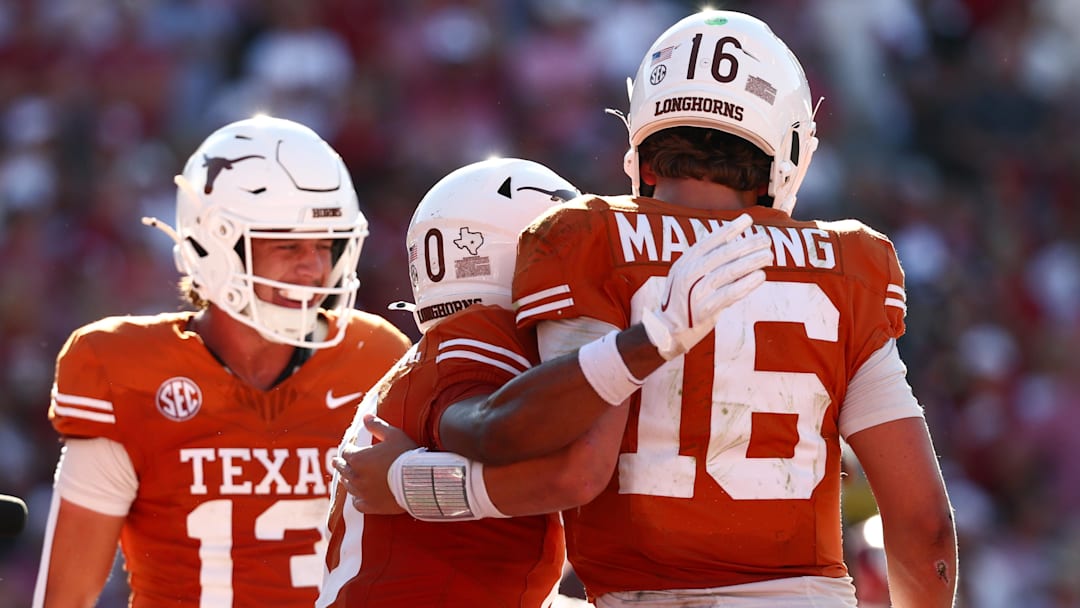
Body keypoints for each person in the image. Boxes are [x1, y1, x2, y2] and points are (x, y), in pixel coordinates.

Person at [342, 9, 959, 608]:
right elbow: (925, 523)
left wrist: (414, 485)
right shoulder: (852, 262)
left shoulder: (591, 238)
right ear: (787, 142)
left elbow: (575, 468)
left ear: (645, 133)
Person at [317, 157, 772, 607]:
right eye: (561, 249)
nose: (581, 270)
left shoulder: (457, 350)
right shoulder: (479, 338)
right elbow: (509, 441)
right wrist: (406, 482)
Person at [32, 115, 412, 608]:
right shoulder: (126, 373)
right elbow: (67, 595)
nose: (315, 268)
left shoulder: (373, 356)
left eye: (327, 245)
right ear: (214, 243)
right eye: (287, 245)